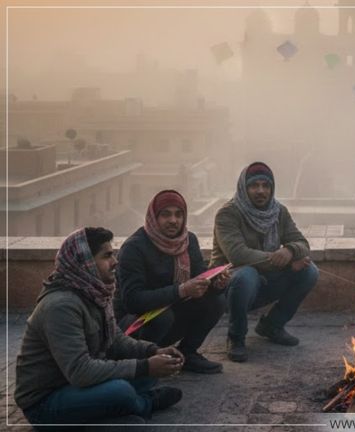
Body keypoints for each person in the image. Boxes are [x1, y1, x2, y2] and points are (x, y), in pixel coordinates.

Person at [15, 228, 184, 425]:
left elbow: (116, 339)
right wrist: (144, 366)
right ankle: (142, 404)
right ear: (85, 262)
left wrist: (153, 351)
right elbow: (80, 371)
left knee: (150, 374)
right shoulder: (61, 306)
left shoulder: (94, 292)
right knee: (122, 390)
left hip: (77, 385)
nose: (115, 262)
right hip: (46, 402)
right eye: (107, 256)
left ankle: (125, 406)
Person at [211, 162, 318, 362]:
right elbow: (238, 255)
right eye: (254, 186)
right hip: (228, 285)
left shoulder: (279, 212)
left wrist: (290, 250)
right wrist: (286, 262)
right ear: (244, 187)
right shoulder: (227, 214)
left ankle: (272, 325)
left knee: (309, 271)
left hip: (265, 281)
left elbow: (302, 243)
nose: (261, 191)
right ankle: (236, 338)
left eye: (265, 185)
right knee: (246, 274)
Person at [116, 190, 226, 374]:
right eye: (166, 214)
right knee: (161, 316)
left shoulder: (188, 240)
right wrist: (181, 290)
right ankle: (145, 363)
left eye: (178, 214)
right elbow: (132, 301)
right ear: (153, 217)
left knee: (216, 301)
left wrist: (216, 285)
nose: (173, 220)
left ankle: (188, 353)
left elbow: (199, 278)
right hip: (133, 324)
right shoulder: (134, 248)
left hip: (172, 311)